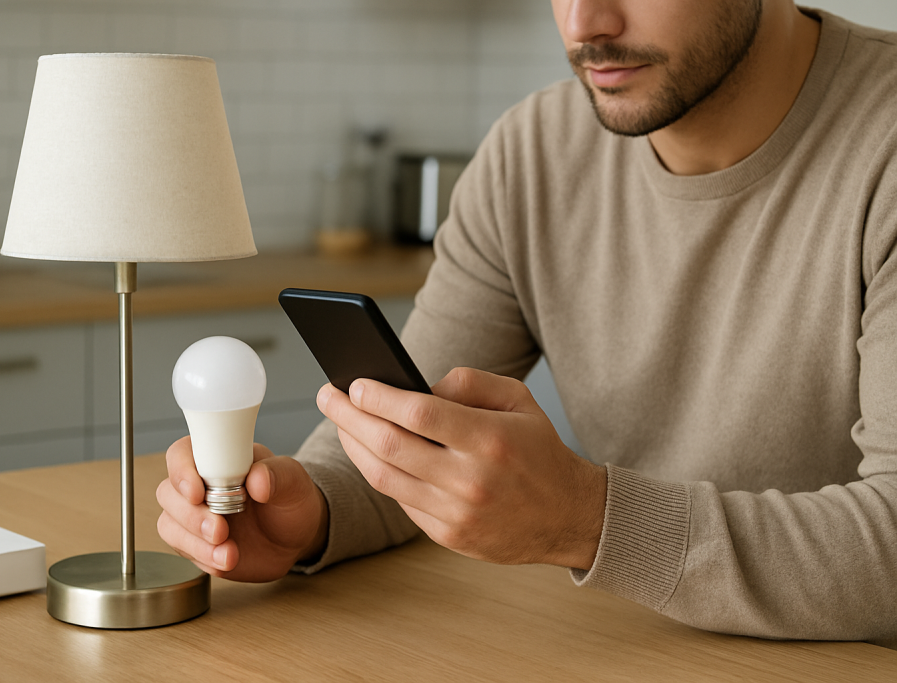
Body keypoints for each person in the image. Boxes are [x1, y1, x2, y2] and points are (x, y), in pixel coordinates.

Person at [156, 0, 897, 645]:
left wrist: (589, 520)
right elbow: (418, 421)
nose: (585, 25)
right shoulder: (532, 156)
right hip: (628, 647)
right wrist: (307, 510)